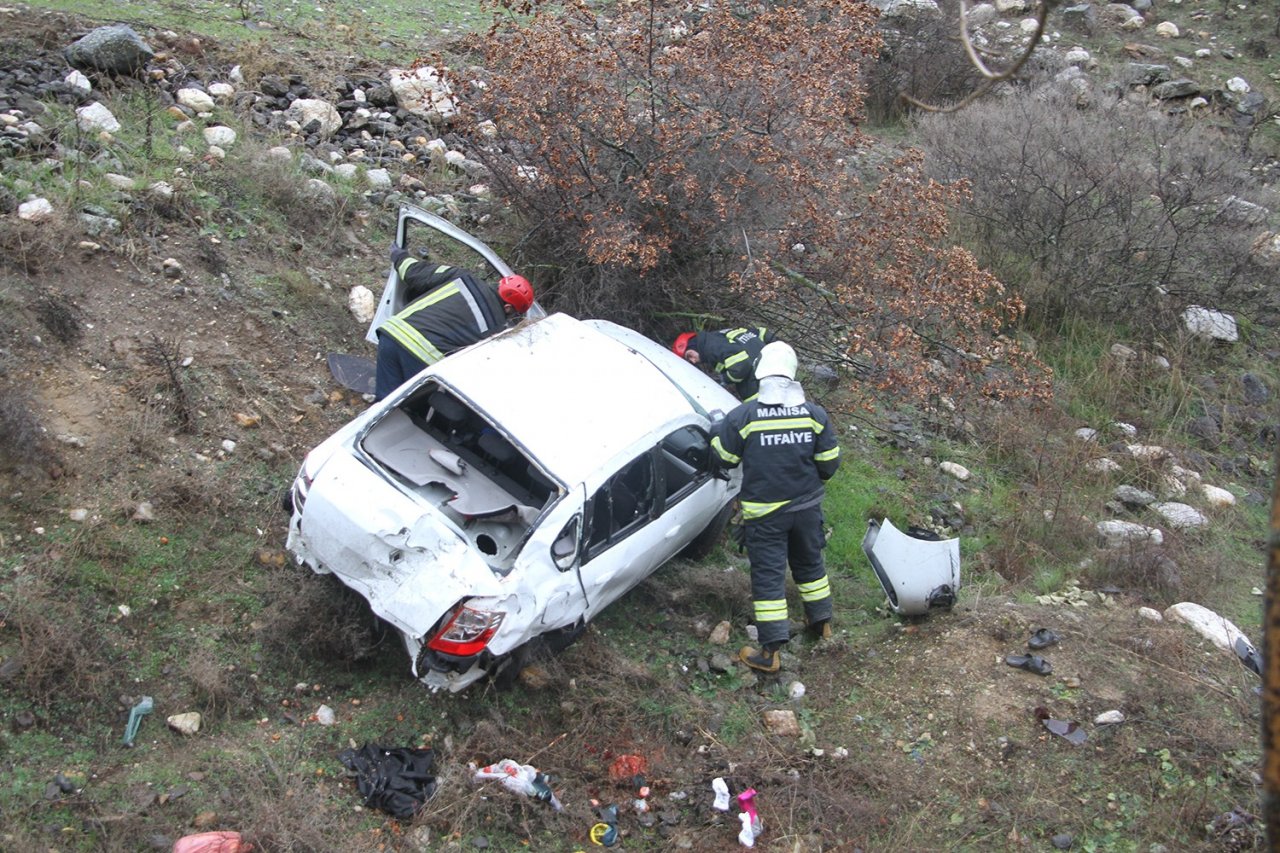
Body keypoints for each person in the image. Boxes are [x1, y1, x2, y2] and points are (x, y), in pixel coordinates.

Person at [711, 341, 841, 673]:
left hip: (765, 516)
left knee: (769, 578)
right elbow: (828, 464)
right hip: (807, 508)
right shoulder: (814, 414)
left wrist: (716, 431)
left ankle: (770, 652)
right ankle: (821, 624)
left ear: (759, 372)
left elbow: (723, 459)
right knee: (810, 565)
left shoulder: (744, 416)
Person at [374, 244, 535, 400]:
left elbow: (416, 273)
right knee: (395, 410)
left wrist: (399, 256)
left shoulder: (463, 277)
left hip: (393, 336)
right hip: (422, 360)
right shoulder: (497, 334)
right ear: (508, 308)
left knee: (383, 400)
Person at [672, 326, 771, 401]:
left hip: (759, 390)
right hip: (774, 378)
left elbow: (741, 364)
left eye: (690, 355)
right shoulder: (723, 334)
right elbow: (764, 333)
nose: (693, 361)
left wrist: (723, 379)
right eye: (689, 361)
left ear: (694, 345)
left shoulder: (711, 347)